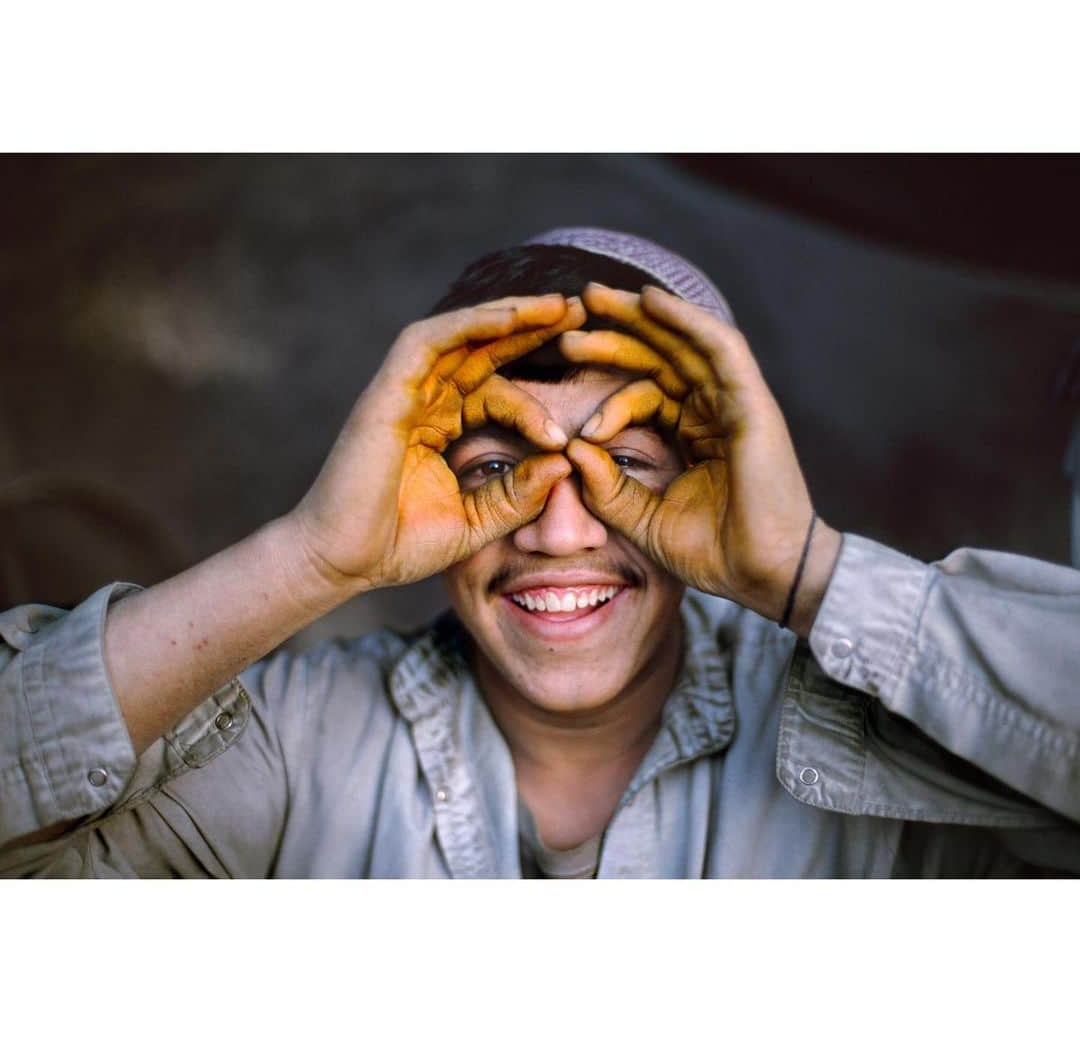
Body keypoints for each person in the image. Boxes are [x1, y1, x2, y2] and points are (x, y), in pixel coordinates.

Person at [2, 226, 1078, 878]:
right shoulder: (298, 746)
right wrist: (309, 559)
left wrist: (806, 571)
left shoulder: (893, 770)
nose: (561, 531)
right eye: (491, 469)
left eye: (633, 467)